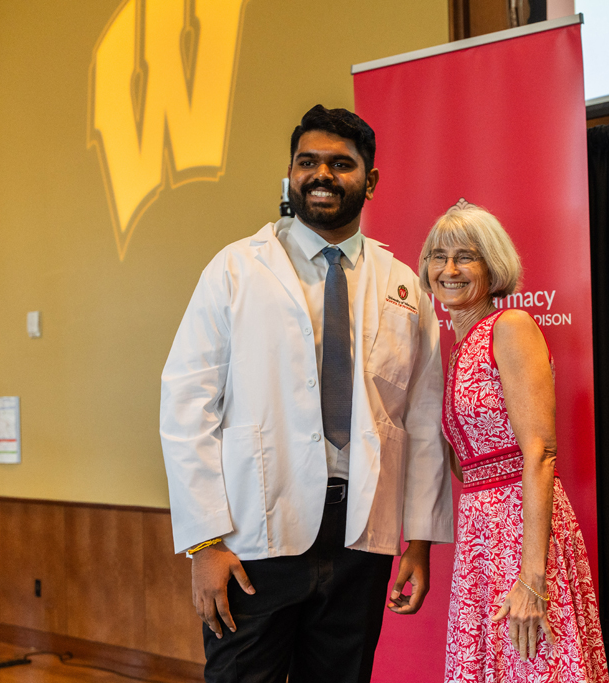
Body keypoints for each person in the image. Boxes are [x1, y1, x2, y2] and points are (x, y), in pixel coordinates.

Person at [160, 105, 452, 683]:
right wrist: (205, 544)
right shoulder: (236, 270)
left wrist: (417, 540)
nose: (322, 175)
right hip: (253, 540)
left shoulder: (403, 287)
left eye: (341, 164)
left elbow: (419, 421)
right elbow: (185, 406)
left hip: (358, 538)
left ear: (369, 181)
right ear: (290, 174)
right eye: (307, 162)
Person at [419, 207, 609, 682]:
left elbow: (540, 452)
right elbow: (470, 466)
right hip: (480, 539)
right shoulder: (461, 344)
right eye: (438, 257)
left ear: (493, 267)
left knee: (535, 665)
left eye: (466, 258)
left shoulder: (510, 327)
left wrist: (533, 578)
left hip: (520, 537)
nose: (449, 270)